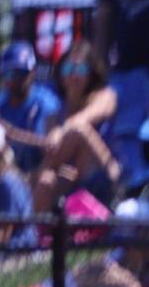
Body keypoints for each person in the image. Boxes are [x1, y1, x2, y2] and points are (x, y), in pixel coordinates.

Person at [31, 43, 122, 213]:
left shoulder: (106, 96)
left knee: (78, 131)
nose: (73, 75)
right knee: (45, 180)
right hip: (68, 176)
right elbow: (52, 155)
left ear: (90, 73)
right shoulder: (53, 114)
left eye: (79, 69)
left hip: (100, 173)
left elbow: (82, 121)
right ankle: (32, 234)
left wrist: (61, 131)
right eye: (68, 69)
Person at [0, 43, 63, 173]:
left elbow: (50, 147)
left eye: (21, 73)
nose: (14, 79)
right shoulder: (1, 103)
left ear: (32, 72)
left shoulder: (46, 103)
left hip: (38, 174)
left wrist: (13, 133)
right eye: (9, 73)